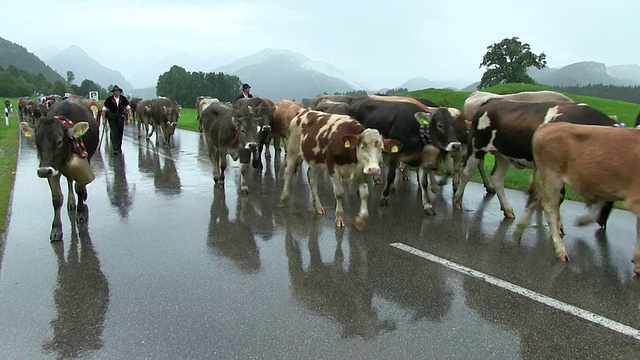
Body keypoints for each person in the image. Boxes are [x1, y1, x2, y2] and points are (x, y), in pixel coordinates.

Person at [101, 85, 133, 155]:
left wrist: (130, 115)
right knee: (114, 132)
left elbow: (128, 107)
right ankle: (116, 149)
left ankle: (119, 147)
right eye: (115, 91)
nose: (117, 92)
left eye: (118, 91)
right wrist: (103, 119)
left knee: (120, 132)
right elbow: (104, 109)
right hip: (112, 117)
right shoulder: (109, 100)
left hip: (120, 117)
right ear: (113, 92)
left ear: (119, 92)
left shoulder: (123, 99)